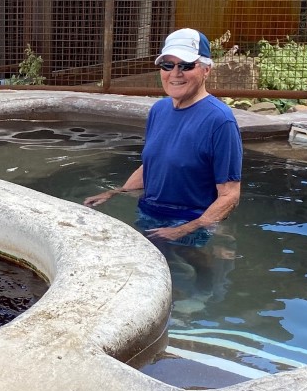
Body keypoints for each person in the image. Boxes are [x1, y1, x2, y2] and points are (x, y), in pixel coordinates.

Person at [84, 27, 242, 245]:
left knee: (185, 273)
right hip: (149, 212)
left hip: (189, 221)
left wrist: (184, 230)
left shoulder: (220, 121)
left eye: (186, 65)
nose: (175, 73)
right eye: (168, 65)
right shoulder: (159, 110)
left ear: (206, 70)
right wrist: (115, 192)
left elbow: (230, 195)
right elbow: (153, 164)